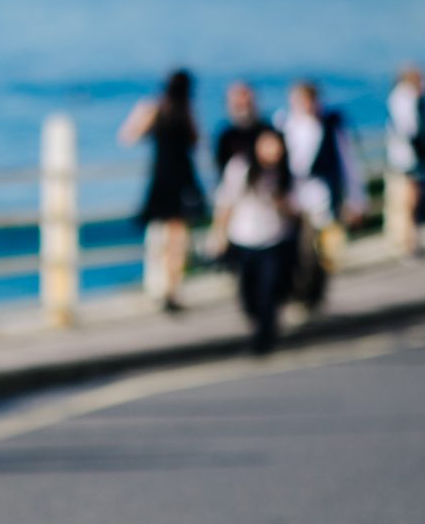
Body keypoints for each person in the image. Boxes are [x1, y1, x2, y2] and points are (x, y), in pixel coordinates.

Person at [120, 69, 207, 313]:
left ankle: (161, 286)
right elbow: (196, 141)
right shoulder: (185, 111)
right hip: (182, 178)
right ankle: (171, 288)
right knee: (177, 239)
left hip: (162, 177)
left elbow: (128, 136)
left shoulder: (155, 109)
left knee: (160, 236)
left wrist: (144, 114)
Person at [274, 81, 364, 311]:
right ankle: (300, 295)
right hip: (294, 201)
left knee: (319, 253)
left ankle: (312, 297)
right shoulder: (284, 126)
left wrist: (356, 200)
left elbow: (348, 165)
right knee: (296, 252)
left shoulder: (331, 126)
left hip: (322, 200)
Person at [210, 127, 298, 355]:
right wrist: (219, 235)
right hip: (244, 238)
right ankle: (259, 325)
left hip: (275, 238)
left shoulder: (285, 171)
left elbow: (296, 209)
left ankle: (264, 338)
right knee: (247, 293)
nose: (273, 150)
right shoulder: (240, 166)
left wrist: (282, 202)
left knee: (270, 290)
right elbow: (225, 203)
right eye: (268, 144)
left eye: (277, 145)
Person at [385, 64, 425, 257]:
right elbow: (412, 131)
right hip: (409, 159)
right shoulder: (407, 98)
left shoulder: (397, 97)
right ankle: (408, 243)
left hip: (400, 157)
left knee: (402, 201)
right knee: (409, 201)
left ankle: (404, 240)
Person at [215, 80, 265, 177]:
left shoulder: (266, 133)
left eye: (247, 104)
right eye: (239, 105)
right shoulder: (225, 136)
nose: (244, 109)